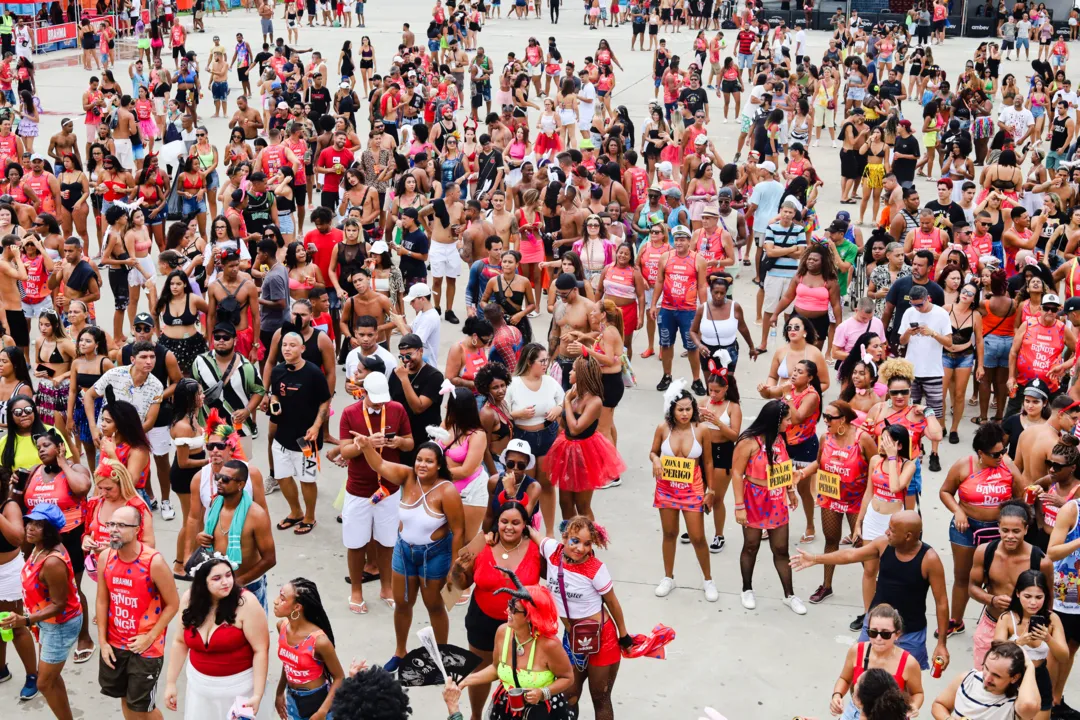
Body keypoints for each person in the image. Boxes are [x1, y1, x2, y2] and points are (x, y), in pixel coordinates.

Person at [352, 436, 464, 672]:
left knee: (434, 606)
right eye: (419, 460)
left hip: (434, 556)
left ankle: (440, 657)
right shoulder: (407, 477)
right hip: (403, 551)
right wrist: (366, 446)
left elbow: (459, 530)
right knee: (402, 604)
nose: (422, 465)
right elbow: (380, 465)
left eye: (429, 461)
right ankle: (400, 652)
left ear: (439, 465)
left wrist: (454, 568)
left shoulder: (447, 491)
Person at [791, 510, 952, 672]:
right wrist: (815, 559)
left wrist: (941, 644)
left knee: (905, 684)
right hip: (874, 628)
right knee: (861, 674)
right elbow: (850, 555)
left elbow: (942, 603)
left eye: (892, 530)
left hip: (909, 635)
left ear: (908, 536)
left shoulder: (929, 560)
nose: (886, 532)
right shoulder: (883, 544)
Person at [527, 515, 630, 720]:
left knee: (600, 697)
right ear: (564, 538)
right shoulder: (552, 551)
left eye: (587, 544)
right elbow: (531, 532)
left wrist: (624, 635)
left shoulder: (596, 569)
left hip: (602, 639)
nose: (580, 548)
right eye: (575, 541)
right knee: (569, 695)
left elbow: (612, 602)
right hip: (571, 639)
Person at [941, 423, 1025, 639]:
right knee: (962, 576)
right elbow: (945, 492)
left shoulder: (1007, 465)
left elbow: (1021, 494)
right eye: (995, 454)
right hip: (966, 527)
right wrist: (958, 511)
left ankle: (1001, 623)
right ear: (980, 453)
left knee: (998, 577)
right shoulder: (963, 465)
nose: (1001, 456)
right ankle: (956, 621)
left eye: (1003, 451)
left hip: (999, 531)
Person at [95, 504, 179, 720]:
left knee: (143, 707)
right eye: (111, 524)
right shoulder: (105, 557)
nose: (113, 529)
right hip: (115, 644)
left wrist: (149, 638)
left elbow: (173, 604)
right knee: (126, 698)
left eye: (121, 525)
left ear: (137, 529)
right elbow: (102, 600)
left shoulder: (153, 562)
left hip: (146, 649)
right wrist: (103, 642)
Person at [336, 372, 411, 613]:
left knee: (388, 541)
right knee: (356, 542)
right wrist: (364, 444)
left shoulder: (397, 409)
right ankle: (356, 591)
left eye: (382, 400)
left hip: (389, 489)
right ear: (364, 393)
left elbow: (410, 442)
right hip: (358, 489)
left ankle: (387, 588)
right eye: (374, 399)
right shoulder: (350, 413)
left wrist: (397, 442)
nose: (380, 404)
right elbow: (344, 451)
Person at [0, 503, 81, 720]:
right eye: (30, 523)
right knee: (51, 678)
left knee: (44, 682)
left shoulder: (52, 561)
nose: (30, 528)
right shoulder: (37, 548)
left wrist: (26, 620)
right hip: (47, 622)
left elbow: (59, 605)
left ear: (51, 531)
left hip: (60, 625)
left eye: (38, 525)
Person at [163, 555, 270, 720]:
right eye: (217, 578)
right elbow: (180, 642)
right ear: (202, 582)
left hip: (239, 691)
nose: (226, 582)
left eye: (228, 575)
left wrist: (257, 694)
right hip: (200, 691)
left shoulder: (247, 603)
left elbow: (261, 649)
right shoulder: (188, 599)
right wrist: (171, 683)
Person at [21, 429, 94, 661]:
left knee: (72, 589)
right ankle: (49, 628)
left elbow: (82, 489)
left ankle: (85, 637)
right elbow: (23, 501)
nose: (41, 449)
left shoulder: (75, 469)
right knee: (44, 590)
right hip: (40, 541)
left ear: (59, 446)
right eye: (38, 446)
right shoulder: (35, 471)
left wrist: (64, 462)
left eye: (46, 445)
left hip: (70, 538)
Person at [455, 581, 574, 720]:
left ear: (531, 615)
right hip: (507, 708)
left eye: (514, 609)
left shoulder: (549, 645)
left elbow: (567, 678)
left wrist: (543, 693)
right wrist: (464, 681)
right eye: (510, 605)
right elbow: (496, 668)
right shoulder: (503, 632)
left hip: (541, 712)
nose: (508, 611)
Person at [798, 400, 878, 605]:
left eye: (829, 418)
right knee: (830, 540)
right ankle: (826, 585)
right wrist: (803, 473)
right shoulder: (825, 437)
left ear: (843, 419)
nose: (825, 421)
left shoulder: (863, 439)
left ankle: (875, 591)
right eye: (824, 416)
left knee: (861, 547)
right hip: (831, 497)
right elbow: (818, 462)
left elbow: (876, 466)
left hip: (856, 500)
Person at [732, 399, 804, 614]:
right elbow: (736, 473)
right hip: (754, 498)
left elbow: (784, 467)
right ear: (775, 420)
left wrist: (790, 491)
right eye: (787, 419)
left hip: (776, 497)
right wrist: (739, 506)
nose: (790, 423)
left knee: (781, 548)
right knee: (751, 545)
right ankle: (747, 588)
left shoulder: (780, 439)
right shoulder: (748, 441)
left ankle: (789, 595)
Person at [650, 379, 715, 601]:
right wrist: (656, 460)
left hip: (693, 488)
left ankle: (708, 580)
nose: (685, 414)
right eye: (681, 410)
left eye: (689, 409)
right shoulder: (663, 428)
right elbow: (653, 452)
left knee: (698, 537)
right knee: (669, 533)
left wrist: (711, 491)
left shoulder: (702, 430)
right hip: (666, 487)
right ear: (672, 410)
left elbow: (708, 462)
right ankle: (668, 577)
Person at [189, 458, 276, 610]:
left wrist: (237, 583)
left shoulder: (256, 515)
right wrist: (200, 537)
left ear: (240, 485)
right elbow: (207, 537)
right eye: (218, 477)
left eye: (226, 479)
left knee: (252, 633)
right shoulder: (215, 505)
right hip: (216, 585)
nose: (219, 481)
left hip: (248, 587)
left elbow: (270, 559)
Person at [266, 332, 331, 536]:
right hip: (282, 435)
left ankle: (310, 517)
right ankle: (295, 512)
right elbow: (275, 392)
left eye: (292, 345)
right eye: (284, 345)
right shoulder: (278, 371)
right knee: (283, 476)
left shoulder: (313, 373)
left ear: (302, 349)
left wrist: (316, 426)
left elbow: (325, 402)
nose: (287, 349)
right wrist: (273, 401)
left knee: (307, 479)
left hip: (306, 440)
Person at [827, 604, 925, 719]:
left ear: (897, 634)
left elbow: (918, 693)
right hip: (855, 712)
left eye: (885, 634)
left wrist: (913, 706)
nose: (878, 638)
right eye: (873, 632)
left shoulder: (909, 663)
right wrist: (837, 695)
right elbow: (845, 678)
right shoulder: (857, 651)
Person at [993, 570, 1069, 715]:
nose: (1033, 602)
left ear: (1045, 596)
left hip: (1039, 677)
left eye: (1038, 597)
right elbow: (996, 654)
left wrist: (1048, 638)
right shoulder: (1007, 618)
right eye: (1027, 596)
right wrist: (1017, 643)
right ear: (1017, 594)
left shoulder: (1052, 619)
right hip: (1011, 676)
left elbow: (1064, 657)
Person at [508, 344, 564, 537]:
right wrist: (519, 414)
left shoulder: (549, 382)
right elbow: (504, 412)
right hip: (524, 439)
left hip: (547, 435)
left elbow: (563, 400)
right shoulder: (514, 384)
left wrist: (558, 409)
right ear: (530, 362)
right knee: (526, 485)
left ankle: (549, 532)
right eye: (542, 361)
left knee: (547, 485)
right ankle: (526, 529)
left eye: (546, 360)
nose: (545, 364)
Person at [272, 578, 345, 720]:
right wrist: (279, 692)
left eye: (282, 599)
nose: (275, 601)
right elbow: (288, 663)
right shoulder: (282, 626)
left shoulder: (319, 641)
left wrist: (322, 712)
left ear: (297, 607)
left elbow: (339, 677)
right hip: (292, 697)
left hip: (316, 700)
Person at [651, 224, 707, 395]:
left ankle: (696, 380)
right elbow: (659, 282)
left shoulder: (698, 260)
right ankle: (667, 375)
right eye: (677, 239)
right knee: (666, 344)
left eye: (683, 239)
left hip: (688, 310)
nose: (679, 243)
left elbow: (702, 286)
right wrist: (654, 304)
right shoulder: (665, 257)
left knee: (692, 347)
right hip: (667, 308)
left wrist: (703, 310)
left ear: (689, 241)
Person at [930, 641, 1042, 720]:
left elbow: (1029, 705)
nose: (987, 678)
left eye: (996, 676)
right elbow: (939, 705)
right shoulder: (967, 679)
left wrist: (1030, 666)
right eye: (986, 668)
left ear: (1014, 677)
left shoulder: (1016, 702)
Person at [387, 333, 444, 466]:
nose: (406, 360)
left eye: (409, 355)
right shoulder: (395, 374)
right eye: (402, 356)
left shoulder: (434, 377)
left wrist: (405, 379)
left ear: (421, 351)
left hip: (425, 438)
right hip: (403, 437)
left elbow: (418, 407)